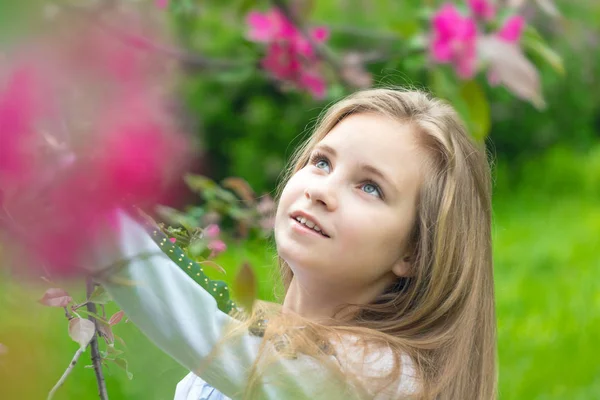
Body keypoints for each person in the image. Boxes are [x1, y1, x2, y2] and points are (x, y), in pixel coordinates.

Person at [92, 89, 497, 400]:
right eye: (322, 162)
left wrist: (90, 219)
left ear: (414, 252)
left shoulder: (385, 377)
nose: (322, 190)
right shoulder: (227, 359)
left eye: (370, 187)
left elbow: (219, 345)